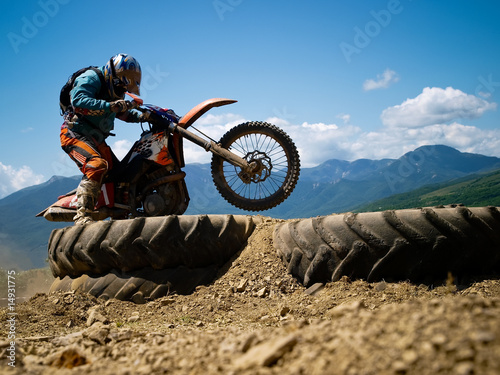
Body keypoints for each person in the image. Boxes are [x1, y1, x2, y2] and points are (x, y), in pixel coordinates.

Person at [60, 53, 148, 225]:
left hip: (97, 139)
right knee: (96, 165)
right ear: (113, 73)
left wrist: (143, 117)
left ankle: (120, 219)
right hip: (74, 134)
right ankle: (83, 216)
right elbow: (78, 101)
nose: (122, 89)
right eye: (121, 83)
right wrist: (110, 106)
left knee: (121, 176)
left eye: (126, 85)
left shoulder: (116, 89)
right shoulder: (91, 78)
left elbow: (121, 112)